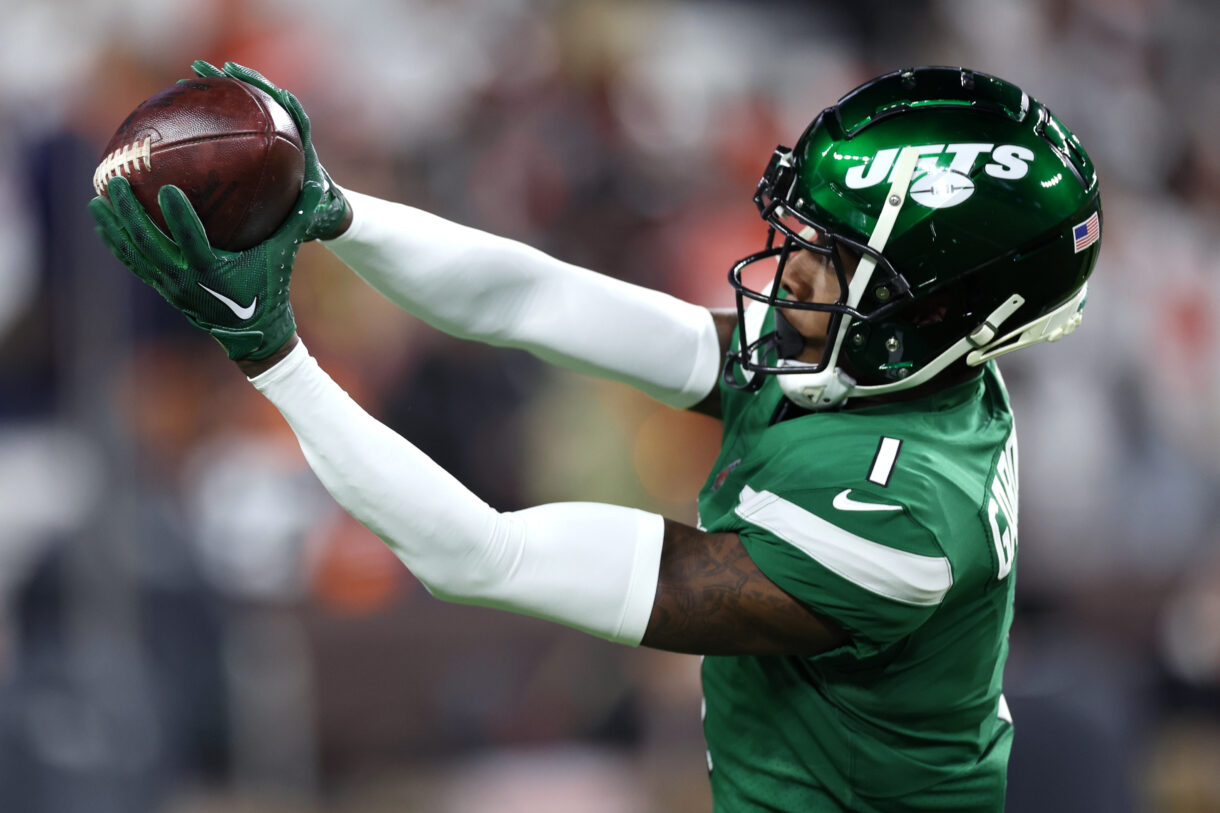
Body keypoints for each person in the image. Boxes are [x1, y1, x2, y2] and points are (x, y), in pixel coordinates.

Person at [89, 61, 1102, 812]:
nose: (787, 271)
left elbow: (479, 555)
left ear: (941, 309)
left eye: (831, 258)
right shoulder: (895, 365)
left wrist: (271, 357)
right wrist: (332, 210)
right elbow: (538, 300)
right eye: (800, 236)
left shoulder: (896, 519)